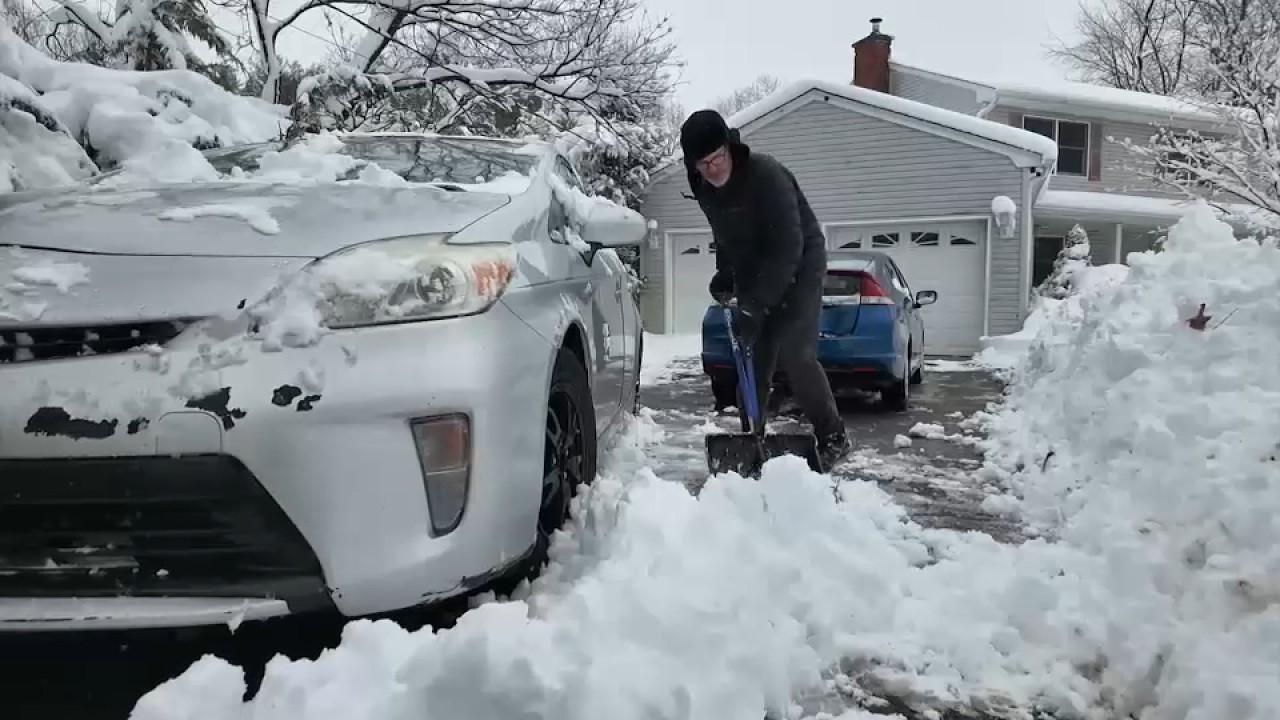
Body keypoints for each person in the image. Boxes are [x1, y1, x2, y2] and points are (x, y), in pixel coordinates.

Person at [679, 109, 851, 470]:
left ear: (730, 147)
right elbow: (725, 234)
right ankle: (751, 439)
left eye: (718, 158)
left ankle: (833, 434)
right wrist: (726, 273)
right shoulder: (704, 187)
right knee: (751, 356)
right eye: (703, 164)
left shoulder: (765, 175)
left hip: (801, 261)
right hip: (755, 267)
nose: (713, 169)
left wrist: (755, 305)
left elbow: (788, 247)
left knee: (795, 351)